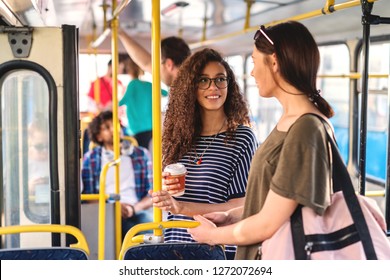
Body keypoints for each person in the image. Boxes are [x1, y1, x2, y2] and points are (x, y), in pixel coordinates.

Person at [187, 21, 335, 260]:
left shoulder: (305, 129)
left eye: (255, 62)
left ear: (274, 62)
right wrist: (232, 215)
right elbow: (278, 203)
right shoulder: (290, 121)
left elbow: (268, 224)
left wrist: (213, 236)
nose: (253, 72)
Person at [150, 48, 259, 260]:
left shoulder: (242, 138)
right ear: (191, 87)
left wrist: (182, 207)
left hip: (215, 249)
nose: (213, 87)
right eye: (203, 81)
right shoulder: (177, 138)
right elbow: (172, 196)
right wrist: (165, 194)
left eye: (220, 79)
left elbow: (243, 204)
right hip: (175, 243)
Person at [81, 111, 153, 239]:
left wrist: (132, 209)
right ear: (99, 137)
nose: (114, 129)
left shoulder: (141, 154)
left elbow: (152, 193)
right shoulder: (91, 159)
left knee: (150, 234)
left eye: (115, 124)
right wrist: (112, 208)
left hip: (135, 210)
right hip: (104, 210)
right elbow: (89, 195)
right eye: (107, 128)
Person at [119, 56, 168, 149]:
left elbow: (121, 102)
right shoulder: (149, 85)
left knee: (141, 152)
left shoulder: (132, 85)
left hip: (138, 127)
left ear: (129, 70)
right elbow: (165, 93)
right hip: (152, 125)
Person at [118, 28, 191, 86]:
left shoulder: (190, 89)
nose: (155, 66)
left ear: (169, 64)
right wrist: (120, 32)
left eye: (159, 63)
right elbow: (146, 63)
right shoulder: (183, 83)